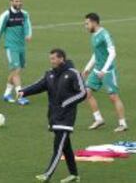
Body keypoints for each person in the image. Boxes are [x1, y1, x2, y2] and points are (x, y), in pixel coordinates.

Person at [18, 49, 86, 183]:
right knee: (65, 146)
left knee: (58, 146)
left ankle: (47, 175)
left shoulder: (73, 74)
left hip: (66, 117)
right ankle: (74, 175)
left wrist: (66, 103)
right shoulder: (49, 74)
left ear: (62, 59)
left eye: (54, 59)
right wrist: (24, 91)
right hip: (54, 116)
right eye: (51, 59)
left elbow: (82, 93)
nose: (52, 61)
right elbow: (40, 85)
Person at [82, 13, 128, 132]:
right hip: (97, 69)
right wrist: (87, 68)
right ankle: (98, 119)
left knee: (113, 97)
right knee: (86, 93)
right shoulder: (94, 35)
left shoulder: (105, 35)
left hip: (108, 71)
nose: (85, 26)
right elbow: (96, 53)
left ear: (94, 22)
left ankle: (123, 124)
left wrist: (104, 70)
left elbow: (113, 53)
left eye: (87, 23)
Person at [0, 0, 32, 105]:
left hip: (21, 47)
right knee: (17, 70)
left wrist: (28, 34)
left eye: (20, 1)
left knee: (16, 71)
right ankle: (20, 96)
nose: (19, 3)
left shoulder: (24, 14)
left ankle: (7, 94)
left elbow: (28, 26)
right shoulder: (5, 15)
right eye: (16, 1)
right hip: (11, 47)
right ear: (11, 2)